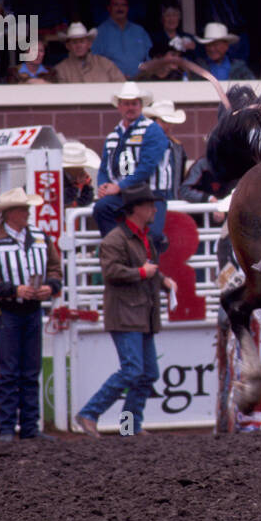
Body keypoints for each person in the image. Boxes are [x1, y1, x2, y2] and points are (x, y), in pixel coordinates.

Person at [75, 184, 176, 437]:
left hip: (138, 312)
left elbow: (141, 269)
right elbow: (112, 272)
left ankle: (127, 425)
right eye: (149, 205)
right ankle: (91, 413)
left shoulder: (137, 237)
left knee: (145, 372)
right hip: (127, 312)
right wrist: (144, 273)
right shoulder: (117, 240)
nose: (154, 209)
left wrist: (161, 279)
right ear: (136, 209)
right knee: (135, 370)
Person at [0, 187, 63, 442]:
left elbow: (56, 270)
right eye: (23, 208)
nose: (27, 212)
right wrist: (15, 290)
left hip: (31, 310)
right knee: (11, 371)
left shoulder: (40, 237)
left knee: (30, 370)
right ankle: (7, 428)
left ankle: (28, 428)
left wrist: (50, 286)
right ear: (10, 213)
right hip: (8, 312)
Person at [94, 81, 170, 249]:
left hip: (151, 193)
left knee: (153, 235)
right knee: (101, 208)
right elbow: (104, 166)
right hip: (124, 195)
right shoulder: (113, 135)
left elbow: (147, 167)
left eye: (134, 103)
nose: (130, 107)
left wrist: (118, 187)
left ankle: (145, 262)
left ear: (141, 106)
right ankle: (120, 249)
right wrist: (103, 185)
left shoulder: (152, 130)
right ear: (119, 107)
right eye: (126, 104)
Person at [92, 0, 153, 79]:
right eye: (116, 5)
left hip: (142, 81)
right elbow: (95, 62)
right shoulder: (100, 32)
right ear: (109, 8)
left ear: (128, 8)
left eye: (123, 5)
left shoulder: (139, 31)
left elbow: (150, 57)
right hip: (111, 83)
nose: (120, 8)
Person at [52, 21, 127, 84]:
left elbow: (121, 84)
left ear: (89, 44)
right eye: (74, 42)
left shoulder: (105, 63)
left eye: (82, 42)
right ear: (68, 46)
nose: (78, 46)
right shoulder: (61, 69)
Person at [61, 139, 100, 209]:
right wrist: (77, 187)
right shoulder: (59, 176)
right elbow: (63, 199)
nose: (81, 169)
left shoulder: (82, 176)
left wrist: (85, 186)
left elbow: (89, 198)